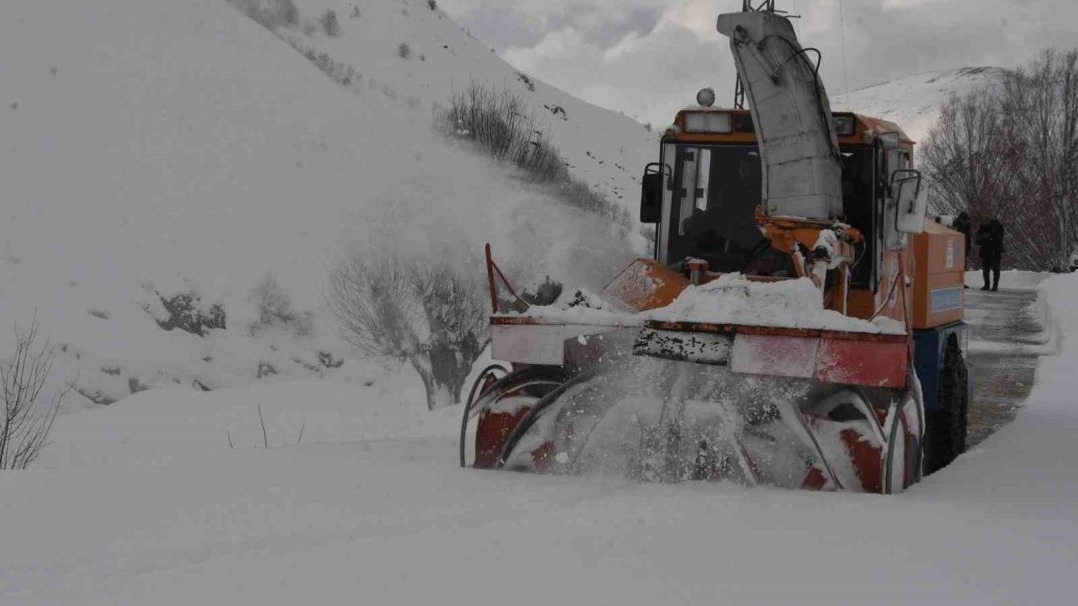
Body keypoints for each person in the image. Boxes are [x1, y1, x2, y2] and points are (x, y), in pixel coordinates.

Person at [976, 215, 1005, 291]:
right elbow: (978, 240)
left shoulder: (997, 228)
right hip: (992, 251)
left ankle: (989, 285)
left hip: (991, 251)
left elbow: (979, 240)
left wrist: (987, 237)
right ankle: (992, 285)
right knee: (993, 269)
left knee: (988, 269)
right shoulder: (984, 228)